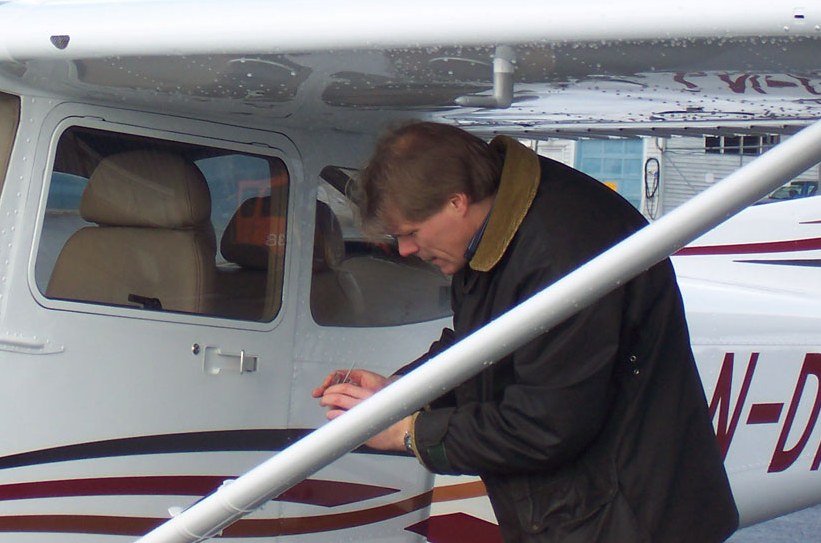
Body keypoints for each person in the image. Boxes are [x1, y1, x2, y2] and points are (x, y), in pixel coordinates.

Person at [314, 122, 737, 542]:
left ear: (456, 202)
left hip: (630, 519)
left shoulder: (561, 254)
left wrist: (409, 434)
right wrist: (399, 391)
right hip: (592, 513)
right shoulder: (497, 230)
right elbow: (484, 346)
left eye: (411, 233)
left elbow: (545, 426)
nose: (406, 250)